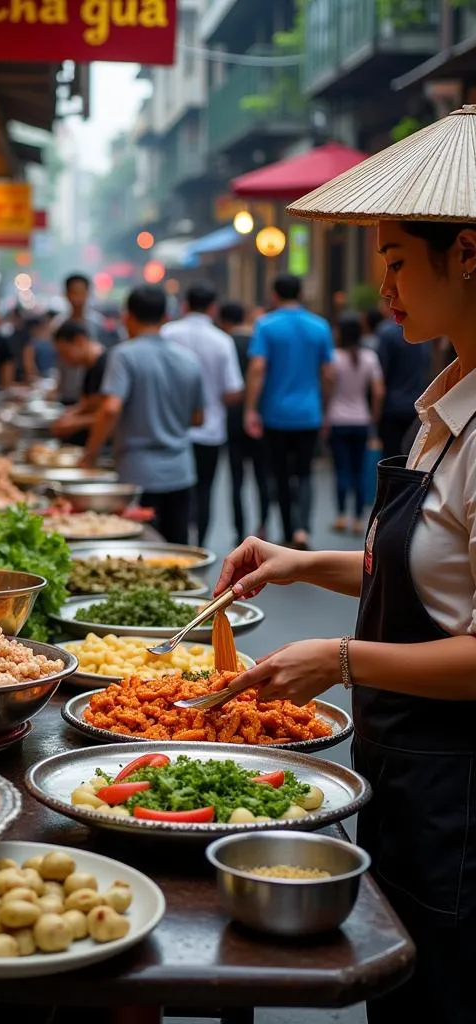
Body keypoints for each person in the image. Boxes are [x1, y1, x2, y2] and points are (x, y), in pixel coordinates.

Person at [220, 108, 476, 1024]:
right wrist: (301, 562)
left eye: (400, 260)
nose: (383, 285)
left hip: (459, 793)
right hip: (405, 773)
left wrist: (341, 659)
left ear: (470, 256)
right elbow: (436, 573)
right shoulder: (445, 400)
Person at [81, 285, 204, 544]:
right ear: (165, 317)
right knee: (176, 553)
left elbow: (111, 408)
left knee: (140, 554)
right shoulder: (189, 359)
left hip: (137, 473)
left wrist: (90, 455)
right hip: (181, 471)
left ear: (128, 317)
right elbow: (197, 418)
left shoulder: (124, 355)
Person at [243, 273, 334, 549]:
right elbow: (328, 373)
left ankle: (286, 528)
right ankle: (303, 529)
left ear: (274, 295)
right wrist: (326, 408)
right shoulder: (320, 326)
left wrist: (250, 409)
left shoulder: (266, 325)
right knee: (305, 472)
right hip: (309, 413)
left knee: (280, 473)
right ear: (301, 294)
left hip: (275, 414)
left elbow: (258, 368)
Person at [161, 281, 243, 546]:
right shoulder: (221, 341)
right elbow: (233, 390)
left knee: (173, 492)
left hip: (170, 427)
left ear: (185, 305)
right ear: (213, 308)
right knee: (205, 490)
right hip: (210, 430)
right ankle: (200, 546)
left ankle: (173, 544)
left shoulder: (167, 333)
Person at [325, 312, 385, 535]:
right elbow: (378, 391)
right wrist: (373, 415)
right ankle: (359, 519)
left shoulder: (333, 357)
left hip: (338, 419)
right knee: (360, 470)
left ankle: (341, 515)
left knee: (341, 469)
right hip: (361, 419)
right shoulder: (369, 357)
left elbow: (328, 389)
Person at [218, 301, 270, 543]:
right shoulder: (258, 342)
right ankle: (263, 525)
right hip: (259, 416)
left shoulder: (226, 343)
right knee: (262, 476)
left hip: (232, 417)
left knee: (236, 479)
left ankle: (239, 530)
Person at [376, 302, 431, 458]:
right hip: (417, 405)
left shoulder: (386, 333)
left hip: (391, 407)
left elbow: (381, 372)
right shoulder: (424, 331)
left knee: (391, 460)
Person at [52, 273, 105, 403]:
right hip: (67, 390)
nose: (77, 298)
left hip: (93, 392)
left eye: (81, 293)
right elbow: (59, 361)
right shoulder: (58, 324)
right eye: (73, 293)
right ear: (66, 294)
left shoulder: (98, 323)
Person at [51, 320, 107, 443]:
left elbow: (109, 413)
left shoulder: (105, 365)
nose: (64, 360)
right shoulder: (90, 367)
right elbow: (90, 404)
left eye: (65, 353)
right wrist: (71, 413)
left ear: (79, 341)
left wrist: (76, 423)